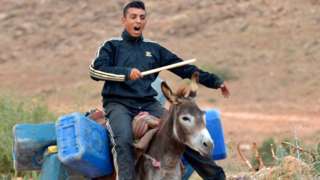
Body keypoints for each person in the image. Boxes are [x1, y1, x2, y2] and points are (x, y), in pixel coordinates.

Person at [89, 1, 230, 180]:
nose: (137, 21)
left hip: (147, 103)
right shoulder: (111, 46)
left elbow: (184, 68)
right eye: (133, 17)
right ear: (123, 20)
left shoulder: (154, 49)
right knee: (123, 141)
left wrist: (215, 81)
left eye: (142, 17)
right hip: (118, 104)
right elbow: (95, 71)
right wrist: (125, 73)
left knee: (182, 131)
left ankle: (217, 178)